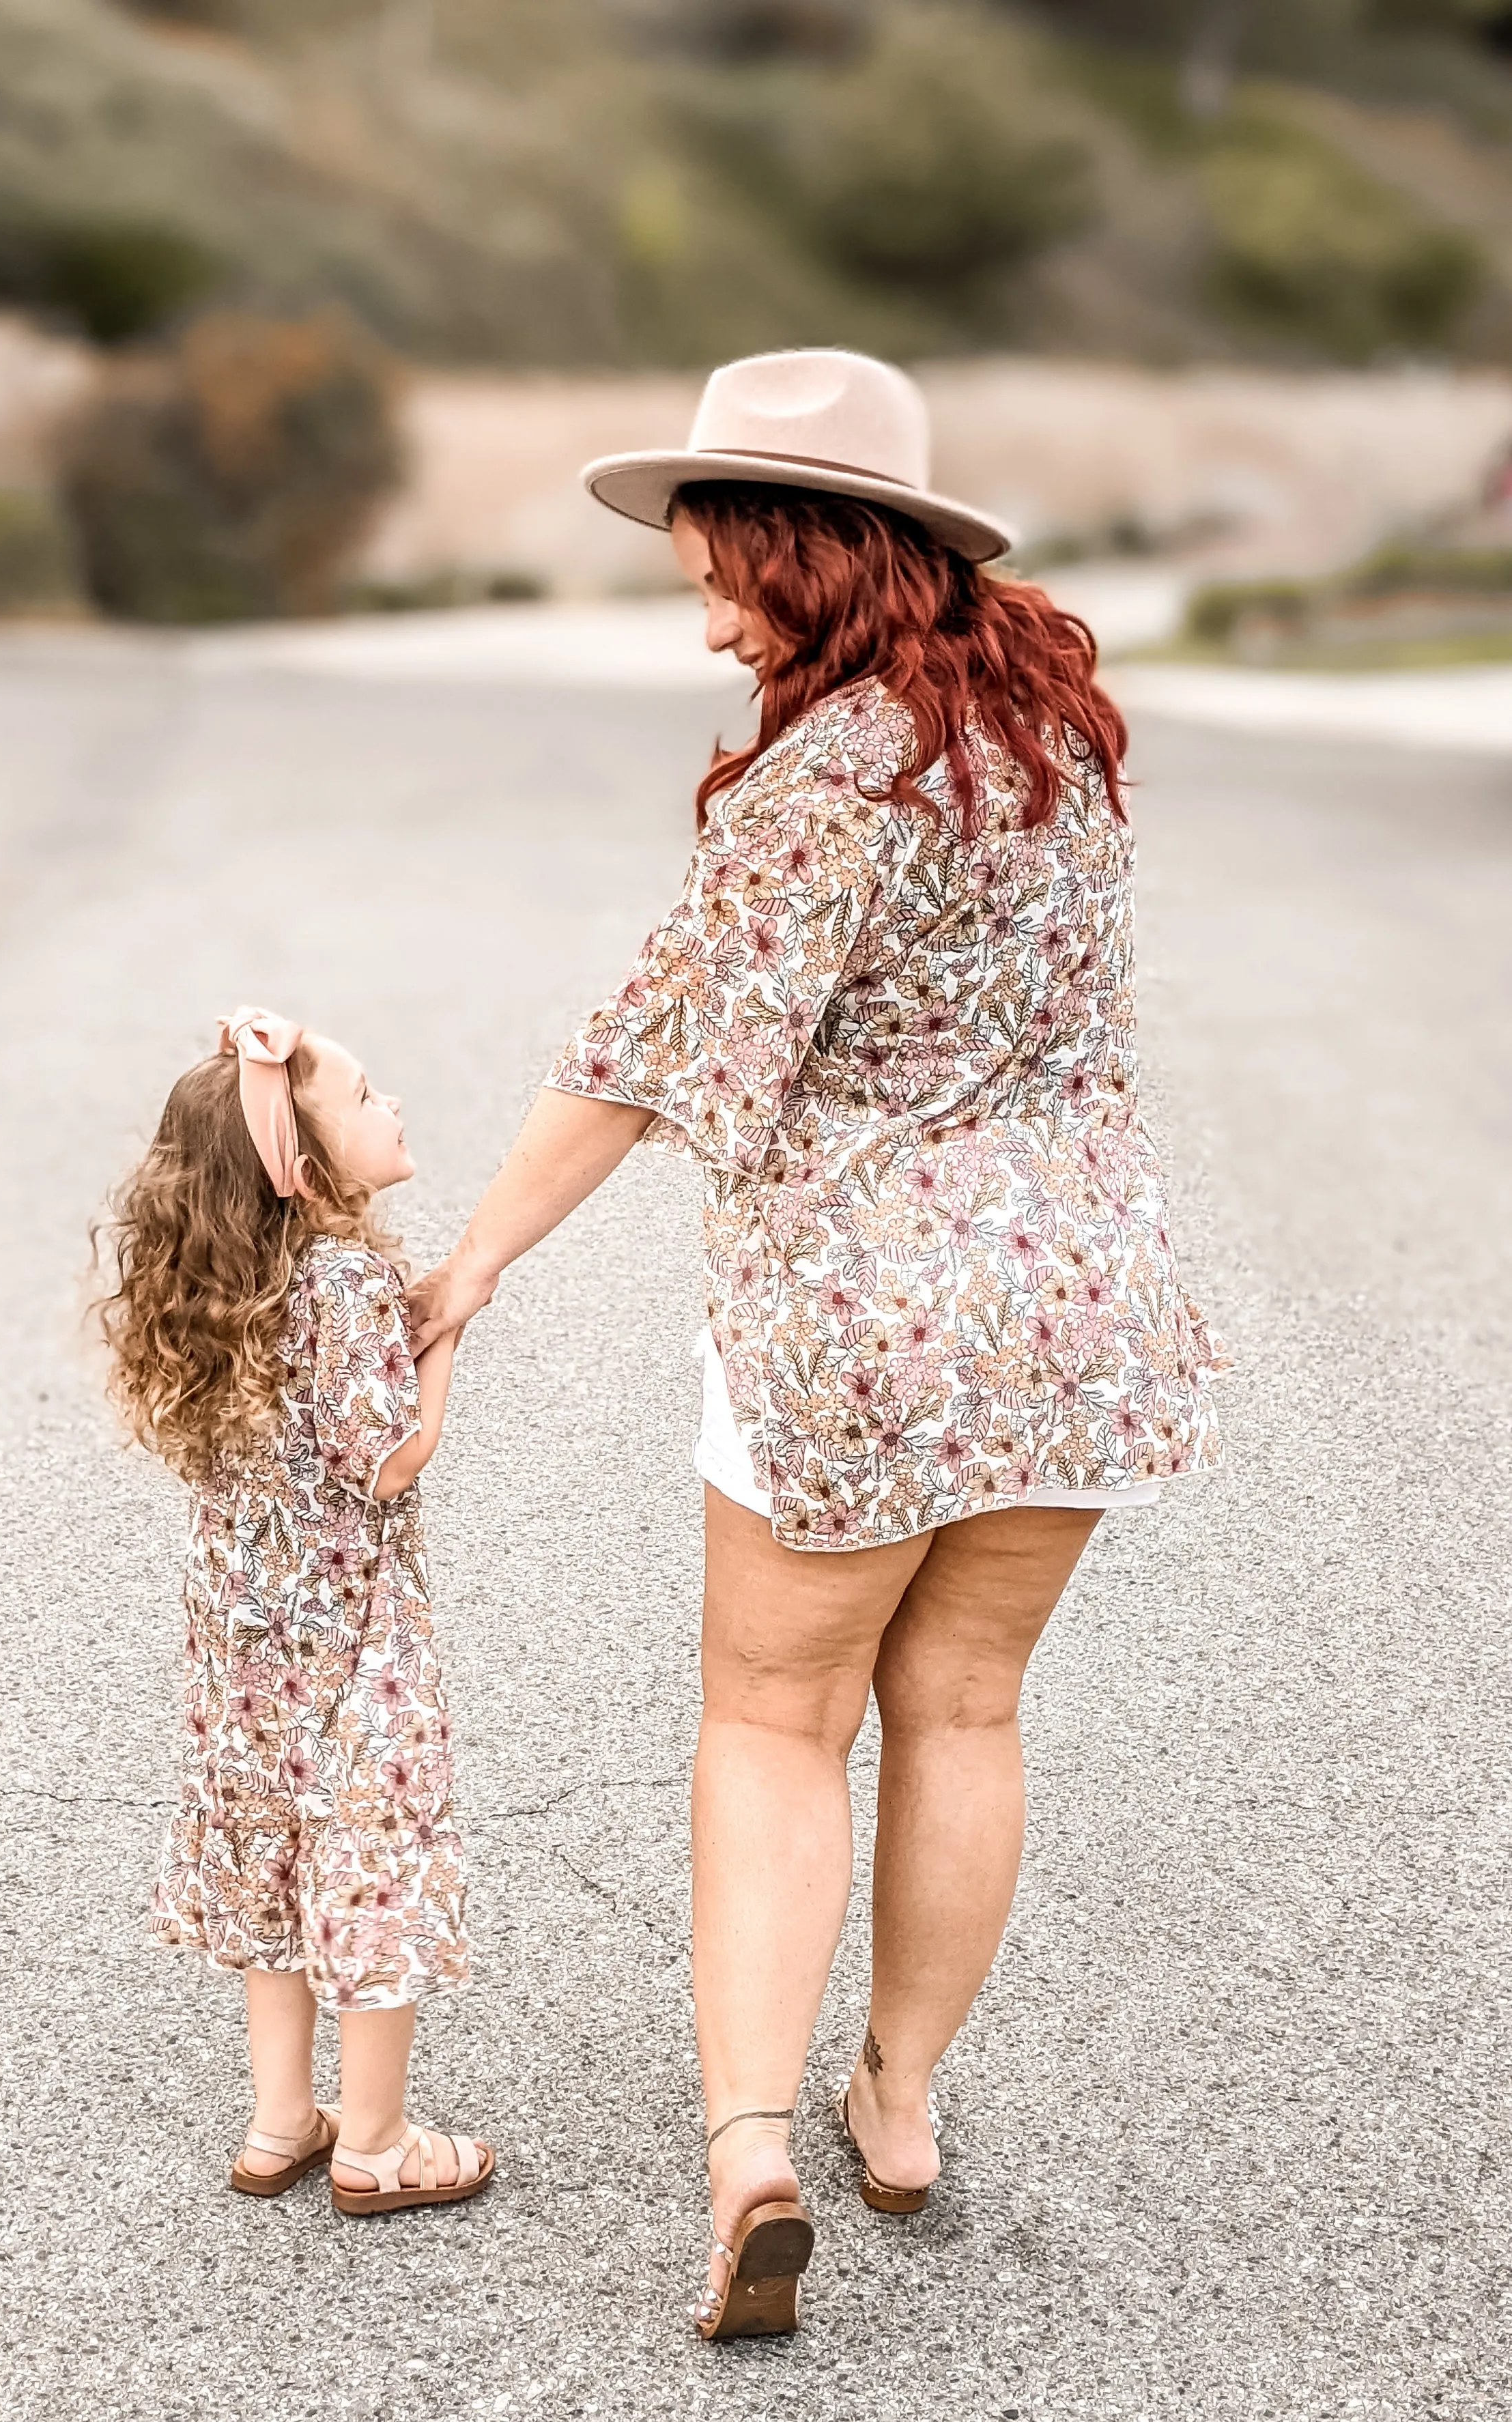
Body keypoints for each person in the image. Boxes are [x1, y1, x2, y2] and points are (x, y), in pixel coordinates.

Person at [408, 350, 1222, 2335]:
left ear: (806, 551)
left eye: (716, 571)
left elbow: (642, 1052)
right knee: (967, 1708)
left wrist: (474, 1261)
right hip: (1075, 1305)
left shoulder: (823, 775)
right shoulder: (1055, 732)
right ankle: (905, 2098)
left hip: (858, 1315)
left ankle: (752, 2140)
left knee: (775, 1719)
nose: (700, 614)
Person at [96, 1006, 492, 2218]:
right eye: (369, 1099)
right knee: (371, 1857)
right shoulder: (350, 1279)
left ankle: (281, 2122)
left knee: (271, 1855)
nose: (395, 1107)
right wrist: (446, 1334)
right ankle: (376, 2143)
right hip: (354, 1633)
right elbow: (386, 1460)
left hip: (243, 1640)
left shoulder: (217, 1293)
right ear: (307, 1169)